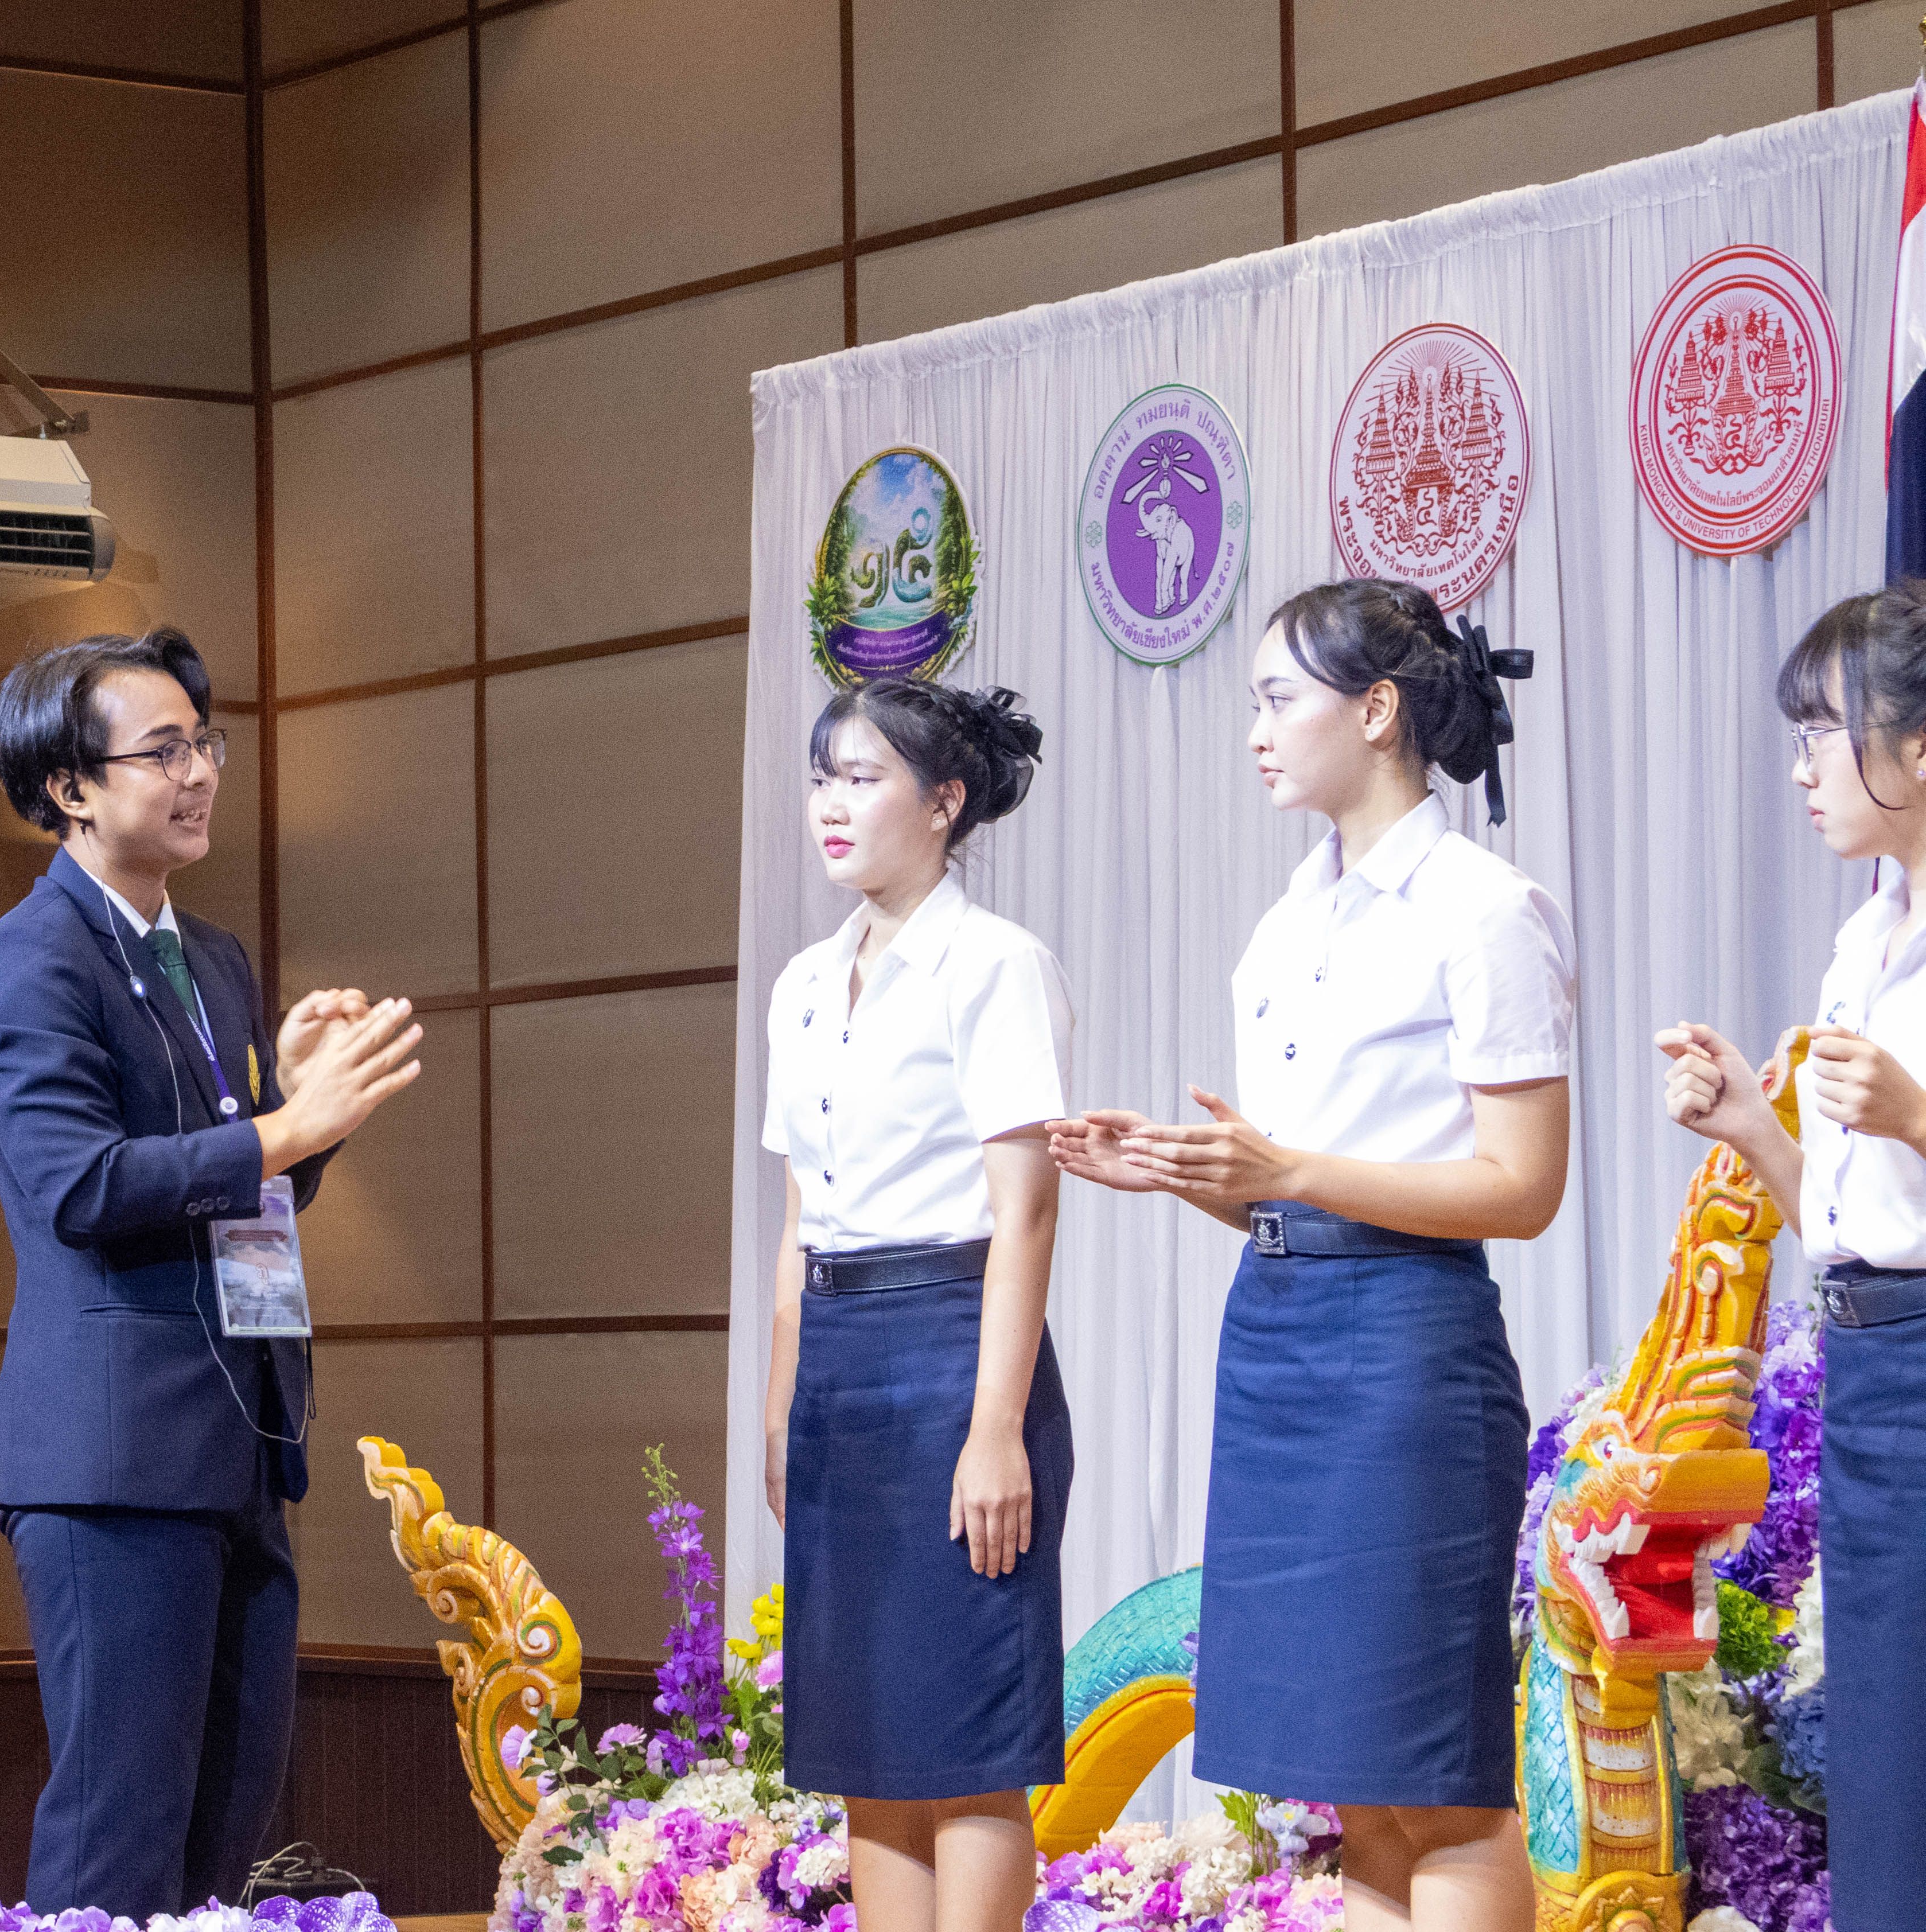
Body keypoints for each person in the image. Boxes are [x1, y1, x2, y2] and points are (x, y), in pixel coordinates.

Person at [1052, 579, 1563, 1932]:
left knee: (1440, 1784)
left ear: (1377, 710)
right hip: (1275, 1332)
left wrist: (1286, 1172)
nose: (1257, 730)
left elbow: (1523, 1187)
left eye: (1280, 698)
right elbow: (1293, 1188)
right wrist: (1194, 1174)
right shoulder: (1287, 922)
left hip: (1405, 1354)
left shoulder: (1482, 905)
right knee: (1353, 1788)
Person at [0, 626, 423, 1919]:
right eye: (162, 751)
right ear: (69, 787)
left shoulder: (209, 958)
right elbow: (84, 1187)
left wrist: (295, 1114)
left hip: (240, 1444)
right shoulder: (31, 959)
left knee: (224, 1834)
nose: (200, 772)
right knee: (119, 1835)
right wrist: (286, 1126)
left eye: (203, 743)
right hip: (113, 1462)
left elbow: (241, 1197)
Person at [762, 677, 1072, 1932]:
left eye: (863, 777)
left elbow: (1026, 1212)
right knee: (869, 1745)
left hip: (954, 1351)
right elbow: (798, 1216)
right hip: (838, 1363)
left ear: (945, 803)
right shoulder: (800, 982)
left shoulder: (996, 964)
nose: (831, 805)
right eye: (821, 777)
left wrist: (995, 1428)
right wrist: (782, 1403)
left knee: (967, 1738)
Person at [1656, 585, 1926, 1932]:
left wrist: (1918, 1113)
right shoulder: (1864, 941)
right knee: (1886, 1750)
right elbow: (1844, 1217)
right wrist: (1752, 1127)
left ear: (1918, 744)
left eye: (1824, 730)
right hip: (1872, 1370)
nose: (1807, 767)